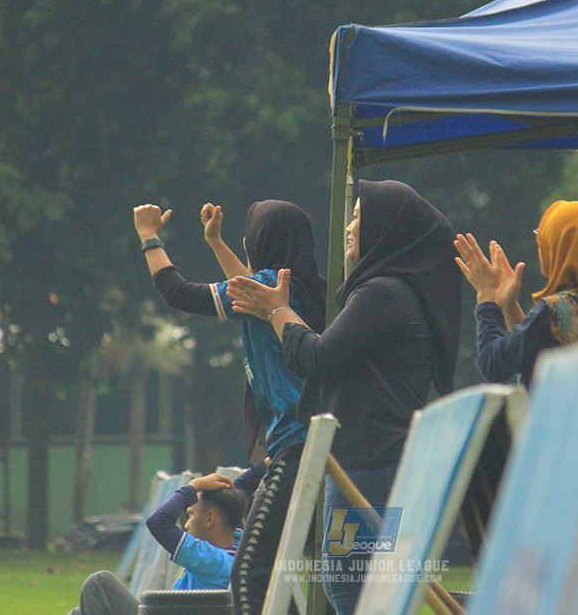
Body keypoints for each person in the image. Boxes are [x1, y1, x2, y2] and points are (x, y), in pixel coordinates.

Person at [227, 179, 462, 614]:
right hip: (370, 461)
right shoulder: (387, 292)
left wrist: (277, 311)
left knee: (352, 592)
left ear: (384, 228)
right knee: (355, 591)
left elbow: (318, 358)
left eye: (358, 217)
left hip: (370, 465)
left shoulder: (381, 294)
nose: (349, 227)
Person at [133, 199, 326, 615]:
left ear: (261, 240)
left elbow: (179, 293)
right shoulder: (301, 288)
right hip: (308, 447)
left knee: (250, 575)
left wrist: (149, 236)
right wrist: (217, 243)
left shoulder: (270, 285)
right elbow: (246, 287)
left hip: (295, 448)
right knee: (305, 578)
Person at [453, 199, 578, 385]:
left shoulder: (558, 309)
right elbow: (533, 356)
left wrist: (487, 299)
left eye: (544, 236)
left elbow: (493, 364)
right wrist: (509, 306)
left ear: (561, 247)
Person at [68, 473, 246, 615]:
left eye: (190, 515)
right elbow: (231, 502)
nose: (186, 525)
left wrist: (193, 486)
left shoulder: (210, 559)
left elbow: (159, 522)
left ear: (210, 518)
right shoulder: (236, 549)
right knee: (80, 611)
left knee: (99, 583)